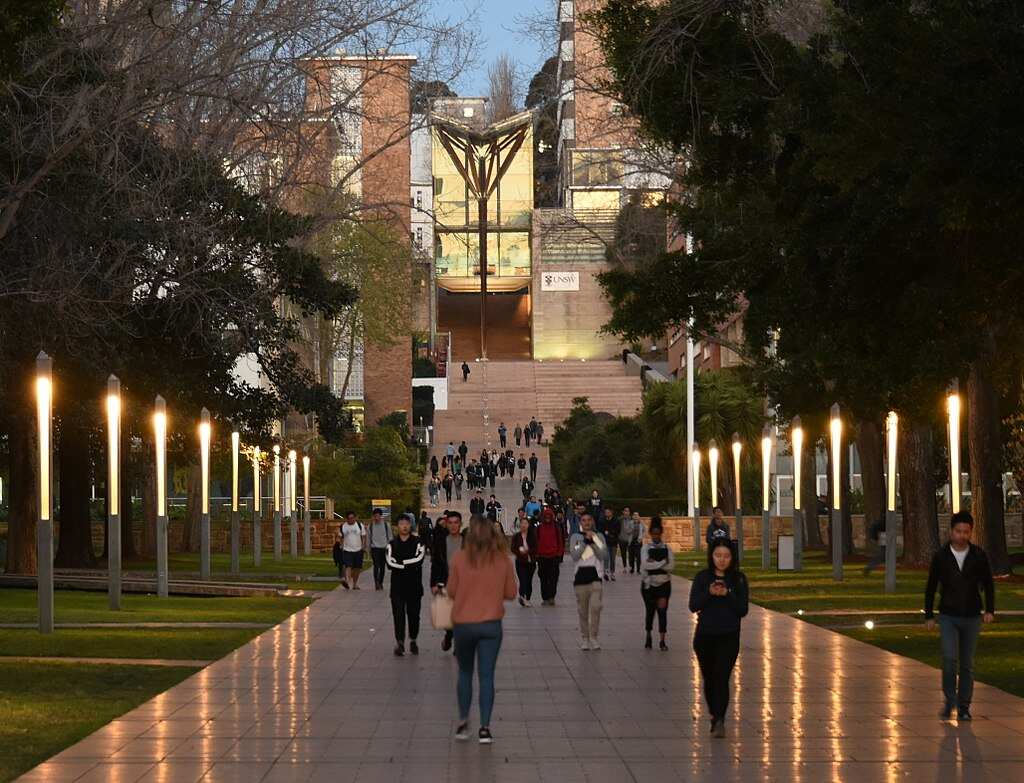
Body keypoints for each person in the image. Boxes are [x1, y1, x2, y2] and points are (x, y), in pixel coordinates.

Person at [447, 514, 517, 744]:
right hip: (490, 624)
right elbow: (511, 593)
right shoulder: (502, 560)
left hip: (464, 624)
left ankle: (463, 722)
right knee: (487, 676)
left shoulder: (459, 558)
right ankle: (485, 728)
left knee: (465, 673)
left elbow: (451, 592)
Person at [924, 511, 996, 721]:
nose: (962, 535)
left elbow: (988, 584)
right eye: (958, 531)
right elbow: (931, 586)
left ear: (971, 532)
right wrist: (929, 614)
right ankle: (950, 700)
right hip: (948, 615)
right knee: (949, 659)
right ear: (951, 532)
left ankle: (964, 706)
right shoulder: (941, 556)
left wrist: (989, 610)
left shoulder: (978, 555)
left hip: (972, 615)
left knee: (967, 663)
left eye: (966, 532)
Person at [689, 539, 749, 737]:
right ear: (711, 556)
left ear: (732, 558)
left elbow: (742, 609)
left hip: (729, 636)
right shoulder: (702, 577)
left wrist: (728, 593)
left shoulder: (738, 579)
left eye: (726, 556)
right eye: (718, 555)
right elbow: (693, 605)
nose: (722, 560)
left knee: (722, 677)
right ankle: (714, 715)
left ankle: (721, 719)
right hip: (705, 636)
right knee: (709, 678)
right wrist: (709, 592)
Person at [386, 513, 426, 656]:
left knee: (414, 615)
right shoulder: (392, 544)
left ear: (410, 525)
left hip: (414, 586)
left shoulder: (418, 542)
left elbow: (419, 559)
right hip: (397, 587)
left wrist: (401, 563)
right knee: (398, 615)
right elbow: (389, 562)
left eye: (407, 523)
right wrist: (407, 564)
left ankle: (413, 639)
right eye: (401, 523)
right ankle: (400, 642)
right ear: (397, 526)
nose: (404, 526)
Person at [569, 512, 606, 650]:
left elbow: (603, 555)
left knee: (596, 607)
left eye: (589, 520)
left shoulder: (599, 536)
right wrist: (585, 541)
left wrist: (594, 541)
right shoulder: (576, 537)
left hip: (596, 577)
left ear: (592, 522)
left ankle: (594, 637)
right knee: (583, 610)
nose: (586, 523)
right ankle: (585, 637)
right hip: (580, 577)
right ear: (581, 523)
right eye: (583, 520)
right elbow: (575, 555)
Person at [431, 511, 465, 651]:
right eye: (450, 523)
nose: (453, 526)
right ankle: (449, 635)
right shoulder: (441, 541)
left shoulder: (467, 542)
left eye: (456, 522)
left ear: (460, 524)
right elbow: (436, 563)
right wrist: (433, 583)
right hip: (445, 582)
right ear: (446, 524)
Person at [640, 517, 674, 650]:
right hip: (649, 585)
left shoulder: (667, 548)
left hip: (664, 584)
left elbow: (671, 566)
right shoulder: (646, 548)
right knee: (650, 611)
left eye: (658, 534)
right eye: (653, 534)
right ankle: (648, 635)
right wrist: (661, 563)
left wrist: (653, 563)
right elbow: (644, 565)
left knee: (662, 611)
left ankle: (662, 640)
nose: (656, 536)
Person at [535, 507, 565, 606]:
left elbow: (560, 541)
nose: (547, 518)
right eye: (545, 516)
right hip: (542, 557)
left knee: (553, 578)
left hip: (554, 556)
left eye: (549, 516)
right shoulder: (539, 528)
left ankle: (552, 596)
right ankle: (545, 597)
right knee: (543, 578)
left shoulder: (556, 527)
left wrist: (559, 553)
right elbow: (536, 541)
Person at [510, 514, 537, 606]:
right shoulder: (516, 536)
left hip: (530, 561)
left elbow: (535, 547)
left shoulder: (532, 535)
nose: (524, 525)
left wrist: (527, 551)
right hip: (520, 561)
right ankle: (522, 596)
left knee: (529, 580)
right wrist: (519, 551)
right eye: (522, 523)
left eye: (526, 523)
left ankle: (528, 597)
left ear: (528, 525)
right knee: (522, 579)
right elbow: (512, 548)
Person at [340, 511, 367, 590]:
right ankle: (347, 581)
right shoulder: (343, 526)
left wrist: (364, 545)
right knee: (348, 565)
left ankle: (355, 584)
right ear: (346, 519)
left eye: (352, 518)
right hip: (347, 549)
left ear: (355, 518)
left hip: (358, 549)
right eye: (349, 518)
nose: (350, 520)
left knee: (357, 568)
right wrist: (341, 545)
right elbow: (340, 536)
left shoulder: (359, 525)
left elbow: (364, 536)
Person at [367, 507, 391, 591]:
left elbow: (390, 537)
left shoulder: (386, 525)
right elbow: (368, 539)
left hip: (384, 548)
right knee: (376, 566)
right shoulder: (370, 526)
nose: (376, 518)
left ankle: (380, 582)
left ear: (381, 516)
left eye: (378, 516)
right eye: (375, 516)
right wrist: (368, 549)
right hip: (375, 548)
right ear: (373, 516)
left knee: (382, 567)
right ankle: (376, 583)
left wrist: (390, 548)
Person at [598, 507, 621, 581]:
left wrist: (610, 532)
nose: (606, 514)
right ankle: (606, 572)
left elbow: (618, 531)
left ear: (611, 513)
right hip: (605, 542)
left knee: (612, 559)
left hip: (614, 542)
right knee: (606, 558)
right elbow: (600, 530)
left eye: (608, 512)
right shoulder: (602, 521)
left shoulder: (616, 521)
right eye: (605, 512)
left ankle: (612, 573)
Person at [618, 506, 634, 572]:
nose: (626, 512)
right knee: (623, 553)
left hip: (630, 539)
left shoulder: (632, 519)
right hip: (621, 539)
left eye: (628, 511)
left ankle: (631, 566)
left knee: (631, 553)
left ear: (629, 512)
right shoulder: (619, 519)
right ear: (623, 512)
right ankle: (624, 567)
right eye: (625, 511)